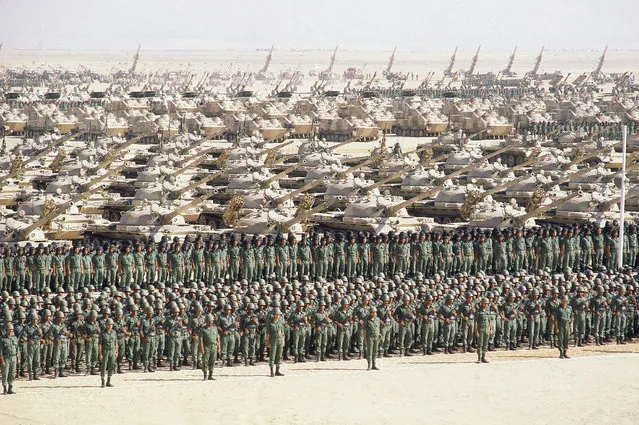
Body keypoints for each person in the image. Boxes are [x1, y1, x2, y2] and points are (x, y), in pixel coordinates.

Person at [199, 313, 220, 381]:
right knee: (205, 361)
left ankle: (210, 375)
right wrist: (202, 349)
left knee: (212, 361)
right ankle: (205, 375)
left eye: (211, 321)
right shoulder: (203, 329)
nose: (211, 322)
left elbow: (218, 338)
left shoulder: (215, 328)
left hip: (214, 346)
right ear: (207, 321)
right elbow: (201, 340)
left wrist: (219, 347)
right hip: (206, 346)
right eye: (209, 321)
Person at [99, 318, 117, 388]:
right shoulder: (102, 333)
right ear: (106, 325)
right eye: (108, 325)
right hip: (105, 351)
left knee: (111, 365)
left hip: (112, 350)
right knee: (104, 366)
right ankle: (103, 381)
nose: (109, 326)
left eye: (111, 325)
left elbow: (116, 342)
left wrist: (116, 351)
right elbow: (100, 344)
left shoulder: (114, 332)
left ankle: (108, 381)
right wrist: (100, 354)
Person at [267, 308, 285, 377]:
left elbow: (282, 333)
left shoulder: (280, 322)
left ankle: (277, 371)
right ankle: (271, 371)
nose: (278, 316)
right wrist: (268, 342)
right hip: (273, 340)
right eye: (276, 314)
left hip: (280, 340)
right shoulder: (270, 323)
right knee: (272, 355)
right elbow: (268, 334)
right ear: (274, 315)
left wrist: (283, 341)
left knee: (279, 355)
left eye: (279, 315)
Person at [1, 324, 18, 394]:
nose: (11, 331)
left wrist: (18, 357)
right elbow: (0, 351)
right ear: (6, 330)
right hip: (6, 358)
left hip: (13, 357)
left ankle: (10, 388)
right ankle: (5, 388)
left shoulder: (14, 338)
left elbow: (17, 348)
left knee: (12, 373)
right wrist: (2, 360)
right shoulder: (2, 339)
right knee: (5, 373)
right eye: (9, 330)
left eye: (12, 330)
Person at [474, 297, 492, 364]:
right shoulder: (478, 311)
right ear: (482, 303)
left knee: (485, 344)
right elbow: (475, 322)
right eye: (485, 303)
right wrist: (476, 330)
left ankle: (483, 357)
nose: (486, 305)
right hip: (480, 329)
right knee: (480, 344)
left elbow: (489, 321)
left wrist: (491, 329)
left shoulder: (488, 311)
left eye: (487, 303)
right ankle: (479, 358)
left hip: (487, 329)